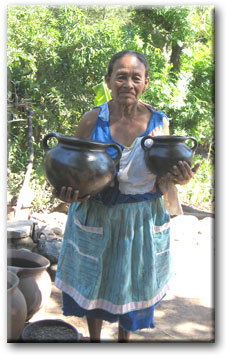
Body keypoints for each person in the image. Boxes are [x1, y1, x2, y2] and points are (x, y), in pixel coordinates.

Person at [53, 50, 200, 342]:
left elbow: (164, 176)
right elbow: (71, 166)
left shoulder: (159, 124)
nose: (128, 84)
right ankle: (94, 342)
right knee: (93, 281)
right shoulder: (92, 120)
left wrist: (179, 179)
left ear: (145, 82)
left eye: (135, 77)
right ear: (108, 81)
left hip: (140, 223)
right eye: (120, 76)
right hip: (95, 215)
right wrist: (66, 193)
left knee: (130, 285)